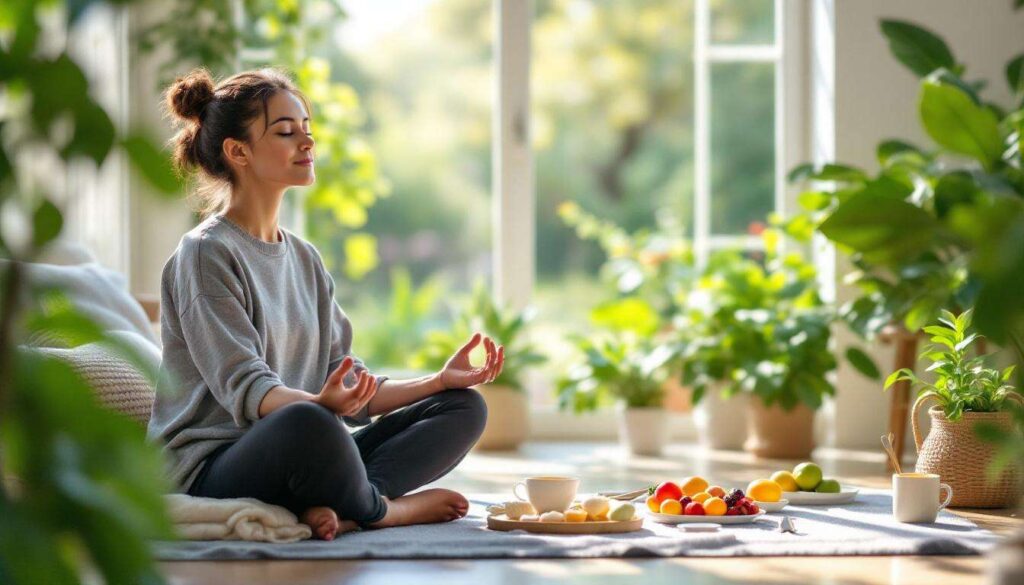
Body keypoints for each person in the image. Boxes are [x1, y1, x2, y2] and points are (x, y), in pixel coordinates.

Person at [146, 68, 504, 540]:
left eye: (308, 130)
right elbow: (249, 390)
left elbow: (351, 387)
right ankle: (384, 510)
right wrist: (320, 403)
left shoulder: (305, 258)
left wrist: (438, 380)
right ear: (238, 152)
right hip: (211, 470)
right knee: (309, 422)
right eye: (286, 132)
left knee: (464, 408)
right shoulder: (205, 254)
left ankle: (349, 503)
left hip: (304, 447)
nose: (307, 143)